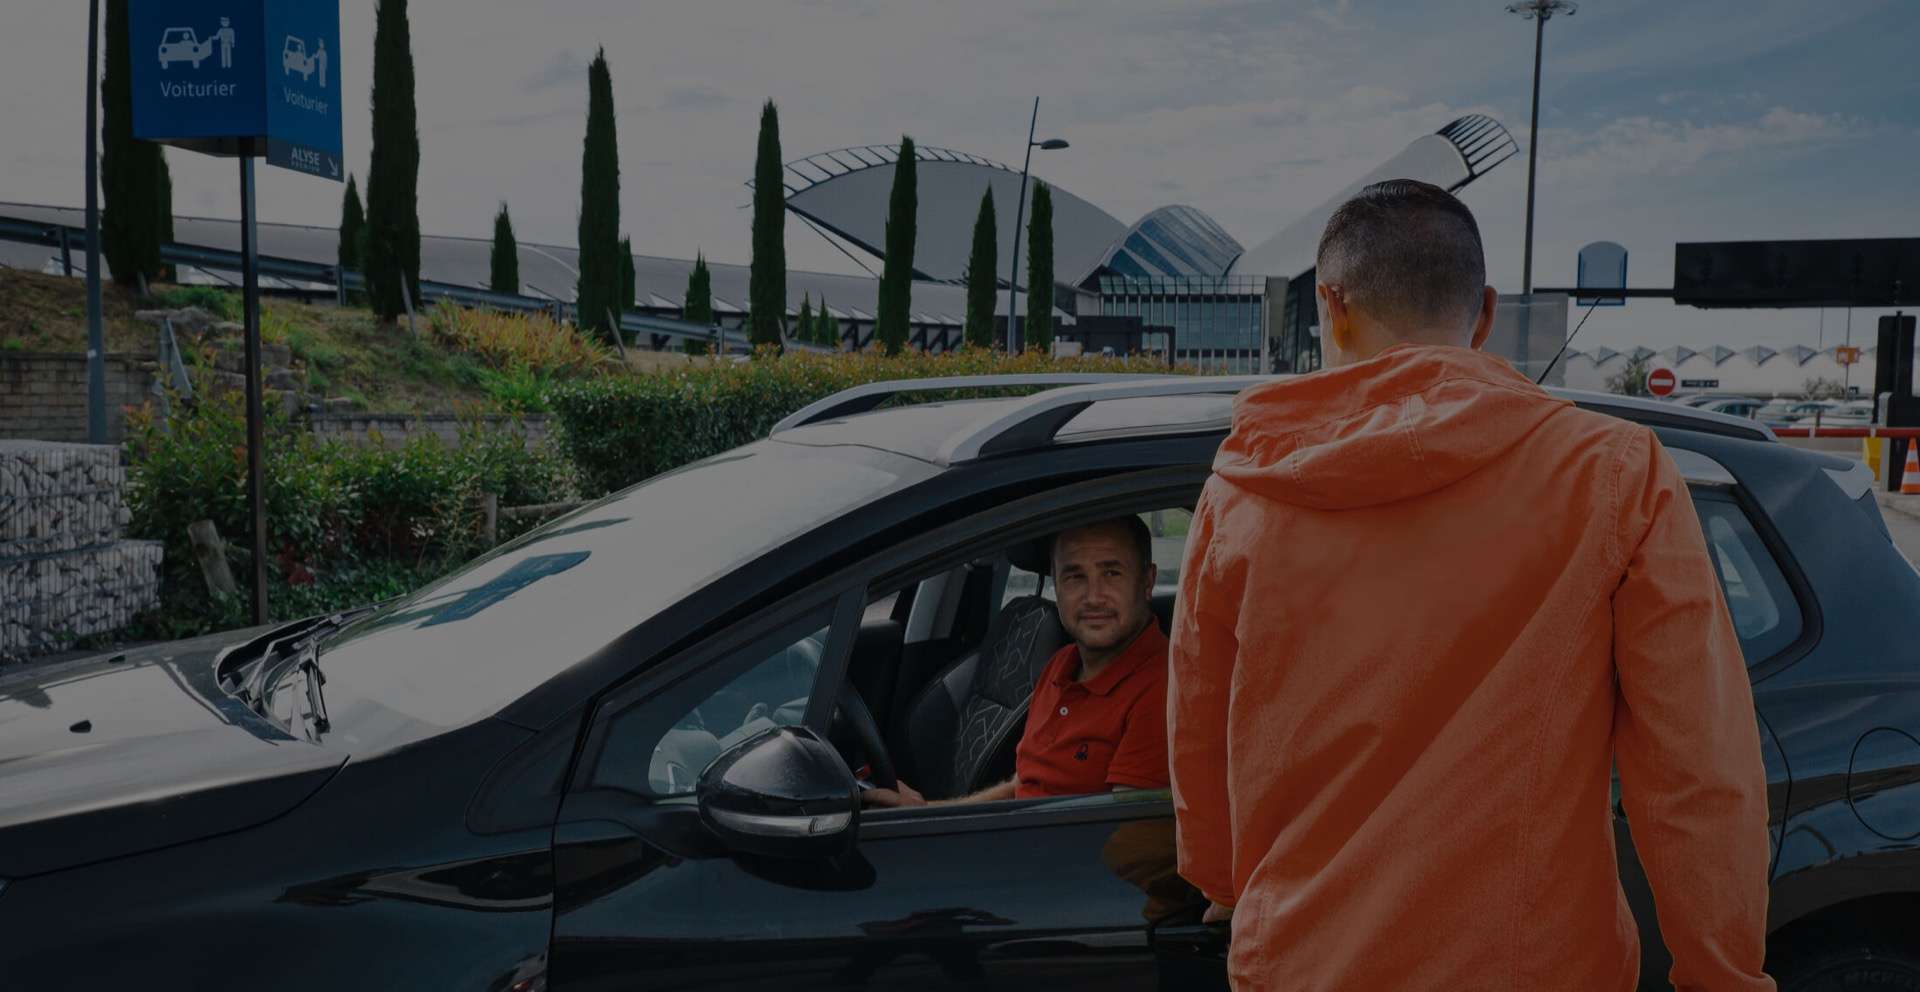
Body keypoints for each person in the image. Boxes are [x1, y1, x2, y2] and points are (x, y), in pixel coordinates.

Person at [1168, 180, 1774, 990]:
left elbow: (1200, 728)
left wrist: (1221, 879)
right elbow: (1696, 768)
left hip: (1303, 962)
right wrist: (1722, 973)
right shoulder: (1613, 474)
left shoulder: (1242, 491)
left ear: (1330, 305)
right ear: (1485, 313)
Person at [864, 516, 1169, 806]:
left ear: (1147, 581)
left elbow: (1125, 842)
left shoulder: (1164, 689)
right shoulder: (1061, 662)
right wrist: (927, 812)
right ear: (1058, 588)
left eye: (1112, 573)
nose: (1093, 597)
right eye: (1075, 576)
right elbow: (1022, 785)